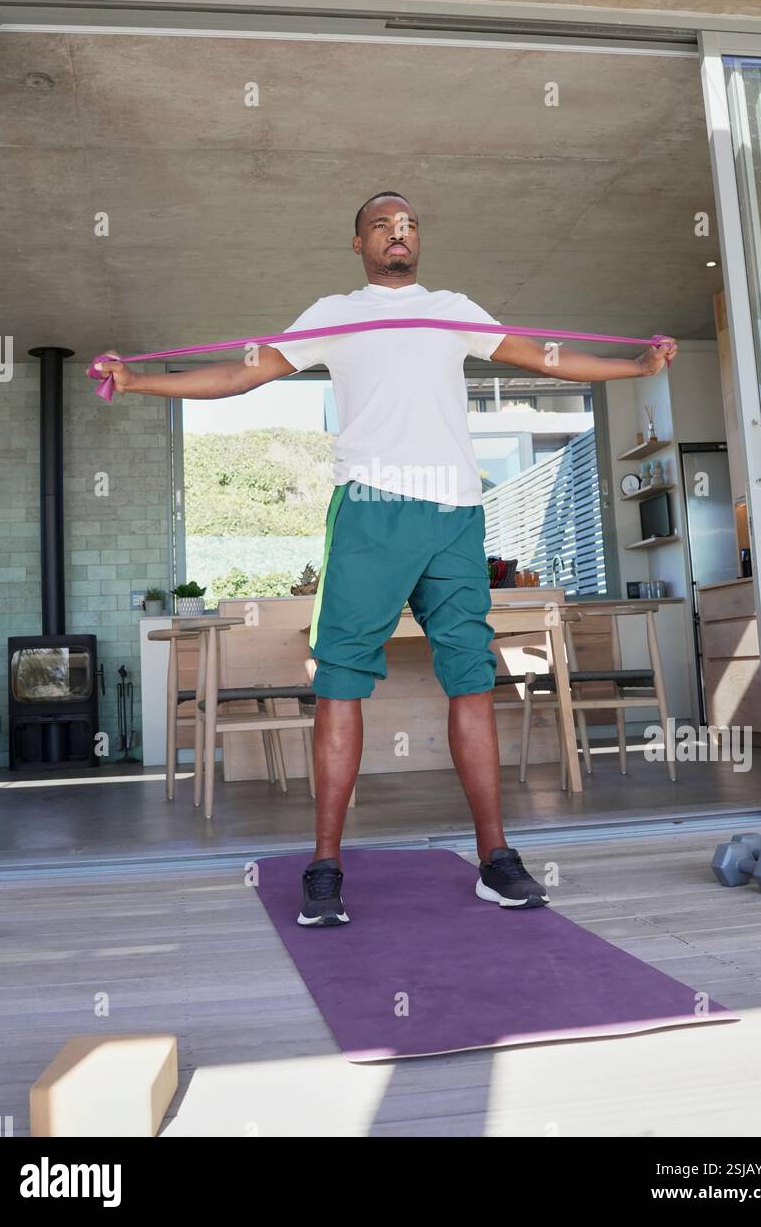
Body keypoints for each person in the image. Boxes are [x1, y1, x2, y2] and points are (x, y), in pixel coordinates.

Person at [91, 192, 677, 927]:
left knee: (470, 677)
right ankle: (325, 866)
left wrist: (637, 366)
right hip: (370, 514)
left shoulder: (453, 307)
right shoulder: (335, 313)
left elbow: (548, 358)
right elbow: (242, 374)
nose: (398, 234)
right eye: (382, 225)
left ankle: (495, 858)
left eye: (409, 225)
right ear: (358, 241)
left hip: (457, 515)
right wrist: (141, 378)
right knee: (341, 682)